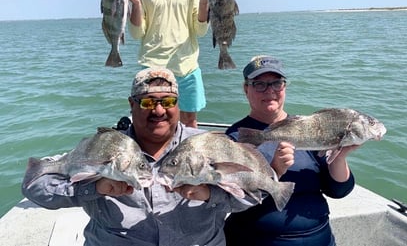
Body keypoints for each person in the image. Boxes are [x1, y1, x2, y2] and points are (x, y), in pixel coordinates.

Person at [22, 67, 255, 246]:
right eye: (148, 102)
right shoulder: (106, 146)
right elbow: (34, 184)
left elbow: (251, 195)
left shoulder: (208, 146)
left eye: (168, 101)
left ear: (178, 103)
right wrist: (92, 189)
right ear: (131, 104)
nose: (159, 111)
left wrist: (210, 194)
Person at [224, 55, 357, 246]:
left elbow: (338, 190)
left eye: (276, 83)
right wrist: (274, 170)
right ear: (246, 89)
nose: (270, 91)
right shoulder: (236, 136)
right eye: (259, 84)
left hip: (319, 237)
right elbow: (233, 196)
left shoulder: (310, 127)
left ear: (284, 87)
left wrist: (339, 157)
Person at [128, 0, 209, 128]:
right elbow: (137, 34)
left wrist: (204, 5)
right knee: (154, 123)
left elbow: (200, 31)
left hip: (188, 68)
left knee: (189, 122)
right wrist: (135, 4)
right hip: (152, 69)